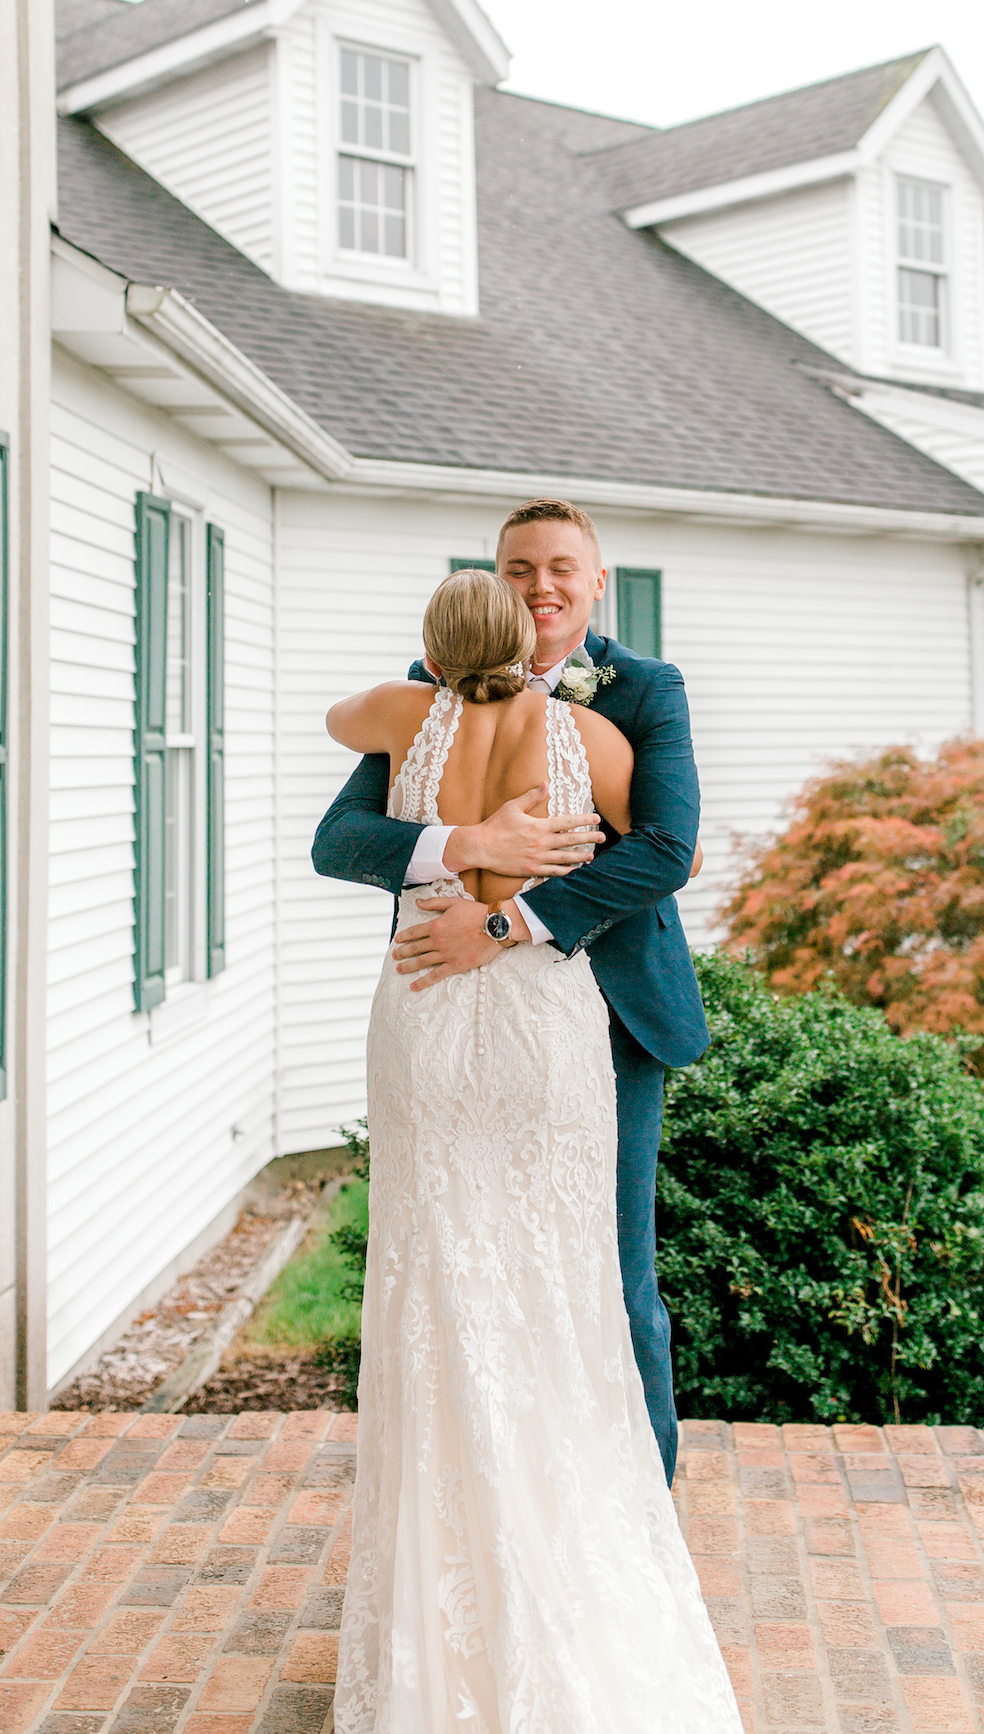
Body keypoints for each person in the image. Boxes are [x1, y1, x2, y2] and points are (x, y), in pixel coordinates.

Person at [325, 566, 740, 1732]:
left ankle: (461, 1574)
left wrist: (488, 888)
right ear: (522, 622)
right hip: (537, 1026)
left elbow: (339, 724)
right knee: (559, 1288)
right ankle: (580, 1569)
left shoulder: (408, 715)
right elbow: (659, 845)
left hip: (436, 1006)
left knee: (448, 1278)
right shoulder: (592, 736)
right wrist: (490, 838)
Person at [311, 498, 710, 1484]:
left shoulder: (644, 690)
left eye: (562, 566)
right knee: (469, 1259)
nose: (542, 584)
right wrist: (469, 847)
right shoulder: (428, 692)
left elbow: (667, 850)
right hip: (446, 1014)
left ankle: (635, 1502)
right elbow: (344, 839)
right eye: (520, 566)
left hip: (599, 1011)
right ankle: (494, 1495)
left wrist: (507, 919)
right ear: (495, 580)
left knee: (613, 1272)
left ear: (596, 581)